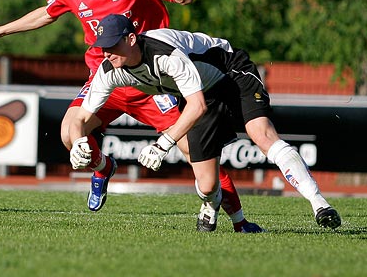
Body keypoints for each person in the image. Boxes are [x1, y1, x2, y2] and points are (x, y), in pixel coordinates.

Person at [0, 0, 262, 232]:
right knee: (70, 131)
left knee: (196, 152)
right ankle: (102, 166)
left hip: (151, 81)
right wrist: (2, 30)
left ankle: (240, 221)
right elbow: (47, 13)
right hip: (107, 78)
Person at [69, 13, 342, 230]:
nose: (105, 53)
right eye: (101, 47)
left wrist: (163, 144)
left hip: (233, 74)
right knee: (208, 184)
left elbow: (196, 105)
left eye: (112, 45)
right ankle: (210, 205)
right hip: (202, 93)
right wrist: (80, 141)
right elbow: (82, 115)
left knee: (261, 134)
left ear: (130, 39)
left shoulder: (164, 54)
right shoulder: (109, 71)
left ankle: (320, 205)